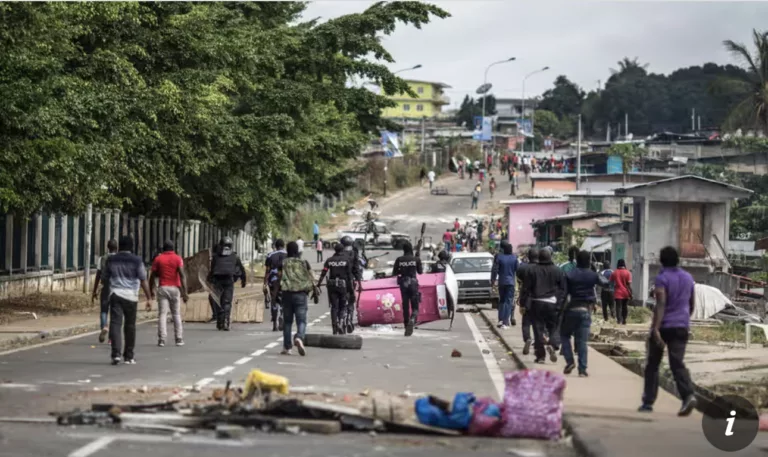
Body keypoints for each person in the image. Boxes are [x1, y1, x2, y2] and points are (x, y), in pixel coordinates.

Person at [639, 246, 697, 416]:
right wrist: (685, 318)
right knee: (676, 363)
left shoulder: (662, 278)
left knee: (653, 364)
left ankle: (648, 402)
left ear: (661, 260)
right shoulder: (688, 278)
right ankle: (688, 395)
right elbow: (691, 303)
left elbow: (661, 304)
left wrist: (655, 328)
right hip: (681, 326)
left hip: (665, 326)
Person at [101, 236, 152, 365]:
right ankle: (129, 356)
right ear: (131, 247)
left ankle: (116, 354)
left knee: (115, 324)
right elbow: (143, 279)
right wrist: (149, 297)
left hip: (115, 294)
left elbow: (105, 277)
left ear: (119, 247)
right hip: (131, 296)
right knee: (130, 326)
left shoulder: (111, 260)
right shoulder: (137, 260)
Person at [562, 250, 609, 377]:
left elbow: (564, 294)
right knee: (582, 341)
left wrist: (560, 310)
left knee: (564, 335)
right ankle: (582, 369)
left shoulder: (569, 274)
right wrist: (595, 272)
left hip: (571, 309)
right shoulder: (593, 275)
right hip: (586, 310)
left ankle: (570, 361)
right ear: (589, 261)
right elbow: (605, 283)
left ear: (577, 260)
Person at [527, 248, 566, 364]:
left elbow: (527, 288)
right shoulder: (558, 271)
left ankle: (540, 356)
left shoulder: (533, 270)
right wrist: (559, 303)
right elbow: (563, 289)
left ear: (539, 258)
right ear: (550, 257)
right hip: (552, 303)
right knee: (553, 327)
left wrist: (524, 304)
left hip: (536, 302)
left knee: (538, 329)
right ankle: (553, 345)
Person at [150, 240, 189, 347]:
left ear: (163, 249)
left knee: (162, 314)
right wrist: (185, 292)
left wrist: (151, 290)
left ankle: (162, 339)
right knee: (176, 314)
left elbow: (152, 275)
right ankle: (179, 338)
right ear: (173, 248)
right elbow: (182, 275)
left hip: (162, 288)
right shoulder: (177, 258)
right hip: (175, 288)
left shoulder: (158, 259)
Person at [278, 241, 314, 355]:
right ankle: (299, 337)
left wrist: (275, 294)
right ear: (297, 250)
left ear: (287, 250)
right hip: (301, 294)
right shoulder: (304, 263)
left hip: (287, 294)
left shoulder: (283, 263)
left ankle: (287, 347)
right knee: (301, 321)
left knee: (287, 322)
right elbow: (311, 277)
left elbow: (279, 278)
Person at [209, 236, 246, 331]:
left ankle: (220, 321)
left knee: (218, 301)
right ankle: (226, 321)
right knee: (227, 302)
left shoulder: (215, 257)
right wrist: (243, 280)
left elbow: (212, 270)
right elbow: (241, 269)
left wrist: (209, 280)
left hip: (217, 281)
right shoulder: (235, 256)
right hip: (229, 281)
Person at [316, 244, 353, 335]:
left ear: (335, 250)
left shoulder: (329, 260)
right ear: (342, 250)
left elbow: (324, 272)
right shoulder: (346, 260)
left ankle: (334, 326)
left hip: (332, 286)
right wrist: (351, 289)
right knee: (342, 306)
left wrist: (319, 284)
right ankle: (340, 322)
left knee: (334, 307)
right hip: (342, 285)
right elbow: (349, 276)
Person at [392, 241, 423, 337]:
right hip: (413, 283)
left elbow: (394, 273)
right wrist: (418, 259)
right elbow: (420, 272)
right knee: (415, 306)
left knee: (405, 306)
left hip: (403, 284)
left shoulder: (399, 259)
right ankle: (413, 319)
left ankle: (406, 326)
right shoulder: (416, 259)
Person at [92, 239, 118, 344]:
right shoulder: (119, 259)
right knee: (115, 313)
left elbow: (98, 275)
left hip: (105, 287)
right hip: (116, 287)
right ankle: (111, 338)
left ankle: (104, 327)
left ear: (107, 248)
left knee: (104, 310)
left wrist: (94, 290)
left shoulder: (101, 259)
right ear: (116, 248)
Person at [491, 241, 518, 329]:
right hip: (511, 283)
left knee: (502, 300)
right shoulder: (514, 258)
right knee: (508, 301)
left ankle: (500, 319)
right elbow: (518, 270)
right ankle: (505, 321)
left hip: (501, 282)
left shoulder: (499, 257)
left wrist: (493, 279)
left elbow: (494, 269)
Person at [517, 247, 538, 355]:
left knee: (526, 322)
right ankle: (539, 340)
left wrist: (521, 302)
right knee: (538, 322)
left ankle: (527, 338)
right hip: (540, 299)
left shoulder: (523, 268)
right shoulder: (542, 268)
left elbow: (521, 282)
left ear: (528, 257)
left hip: (527, 299)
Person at [264, 239, 287, 332]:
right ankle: (282, 315)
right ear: (283, 245)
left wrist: (264, 283)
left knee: (274, 300)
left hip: (273, 280)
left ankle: (274, 323)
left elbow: (267, 271)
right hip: (285, 280)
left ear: (275, 246)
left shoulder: (270, 255)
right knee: (284, 300)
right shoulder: (288, 255)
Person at [610, 259, 633, 325]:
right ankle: (624, 320)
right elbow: (628, 285)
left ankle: (619, 320)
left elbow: (611, 282)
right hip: (625, 293)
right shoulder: (628, 272)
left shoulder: (614, 272)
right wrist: (631, 294)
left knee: (618, 307)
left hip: (618, 293)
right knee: (625, 306)